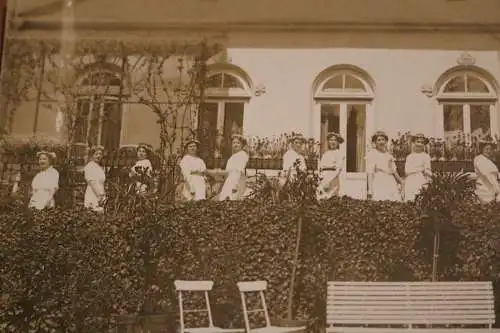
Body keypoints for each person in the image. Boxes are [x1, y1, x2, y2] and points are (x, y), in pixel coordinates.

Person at [367, 131, 403, 201]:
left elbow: (394, 171)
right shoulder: (372, 154)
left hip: (390, 181)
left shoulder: (389, 155)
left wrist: (401, 181)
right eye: (379, 140)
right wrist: (370, 189)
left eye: (383, 139)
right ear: (375, 142)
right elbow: (370, 173)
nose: (381, 142)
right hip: (379, 181)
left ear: (386, 141)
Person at [218, 134, 249, 201]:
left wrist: (235, 186)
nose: (235, 145)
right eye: (234, 143)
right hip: (229, 181)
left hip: (237, 181)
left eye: (238, 143)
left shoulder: (243, 155)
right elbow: (228, 172)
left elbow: (239, 171)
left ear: (242, 145)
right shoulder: (232, 157)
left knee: (233, 200)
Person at [404, 133, 432, 201]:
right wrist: (420, 169)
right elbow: (407, 171)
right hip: (411, 180)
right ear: (414, 143)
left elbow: (428, 170)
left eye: (422, 142)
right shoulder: (409, 157)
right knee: (410, 199)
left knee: (421, 199)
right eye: (418, 142)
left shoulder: (426, 156)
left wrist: (429, 176)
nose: (419, 144)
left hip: (422, 179)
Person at [317, 132, 345, 200]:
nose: (333, 142)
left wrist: (328, 181)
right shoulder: (325, 154)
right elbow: (320, 168)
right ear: (328, 142)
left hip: (333, 180)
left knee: (331, 198)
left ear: (338, 142)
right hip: (323, 179)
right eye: (331, 140)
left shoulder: (340, 154)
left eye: (335, 140)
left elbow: (337, 169)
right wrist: (321, 179)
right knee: (321, 198)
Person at [473, 136, 500, 203]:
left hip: (491, 188)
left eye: (490, 149)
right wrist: (498, 190)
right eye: (486, 149)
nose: (488, 151)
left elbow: (495, 174)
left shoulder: (489, 160)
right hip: (485, 189)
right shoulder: (479, 159)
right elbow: (488, 176)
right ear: (482, 149)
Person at [84, 145, 106, 212]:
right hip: (92, 194)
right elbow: (92, 183)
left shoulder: (100, 167)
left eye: (100, 154)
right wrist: (100, 196)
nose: (98, 156)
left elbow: (101, 183)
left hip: (101, 194)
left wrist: (103, 196)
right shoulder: (90, 166)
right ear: (92, 155)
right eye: (96, 154)